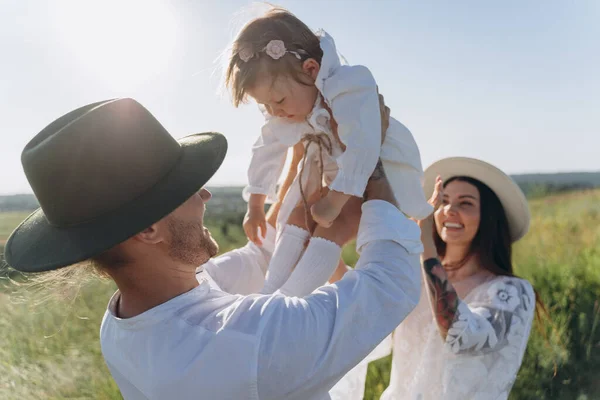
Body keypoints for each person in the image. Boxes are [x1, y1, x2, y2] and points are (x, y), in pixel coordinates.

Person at [5, 98, 424, 400]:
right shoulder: (234, 343)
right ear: (149, 230)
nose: (204, 194)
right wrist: (376, 172)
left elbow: (262, 260)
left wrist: (300, 170)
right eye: (186, 190)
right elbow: (388, 287)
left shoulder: (131, 314)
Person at [224, 7, 432, 295]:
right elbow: (266, 147)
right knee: (297, 215)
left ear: (310, 70)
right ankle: (268, 294)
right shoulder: (291, 108)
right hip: (334, 173)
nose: (274, 112)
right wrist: (256, 204)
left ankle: (288, 300)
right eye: (265, 106)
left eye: (279, 101)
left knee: (332, 225)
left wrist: (335, 201)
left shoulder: (348, 87)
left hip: (376, 172)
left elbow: (363, 147)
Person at [333, 157, 541, 400]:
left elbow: (461, 337)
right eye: (443, 202)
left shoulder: (511, 292)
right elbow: (364, 310)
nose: (449, 210)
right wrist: (328, 248)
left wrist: (426, 248)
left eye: (465, 203)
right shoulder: (415, 276)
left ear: (489, 218)